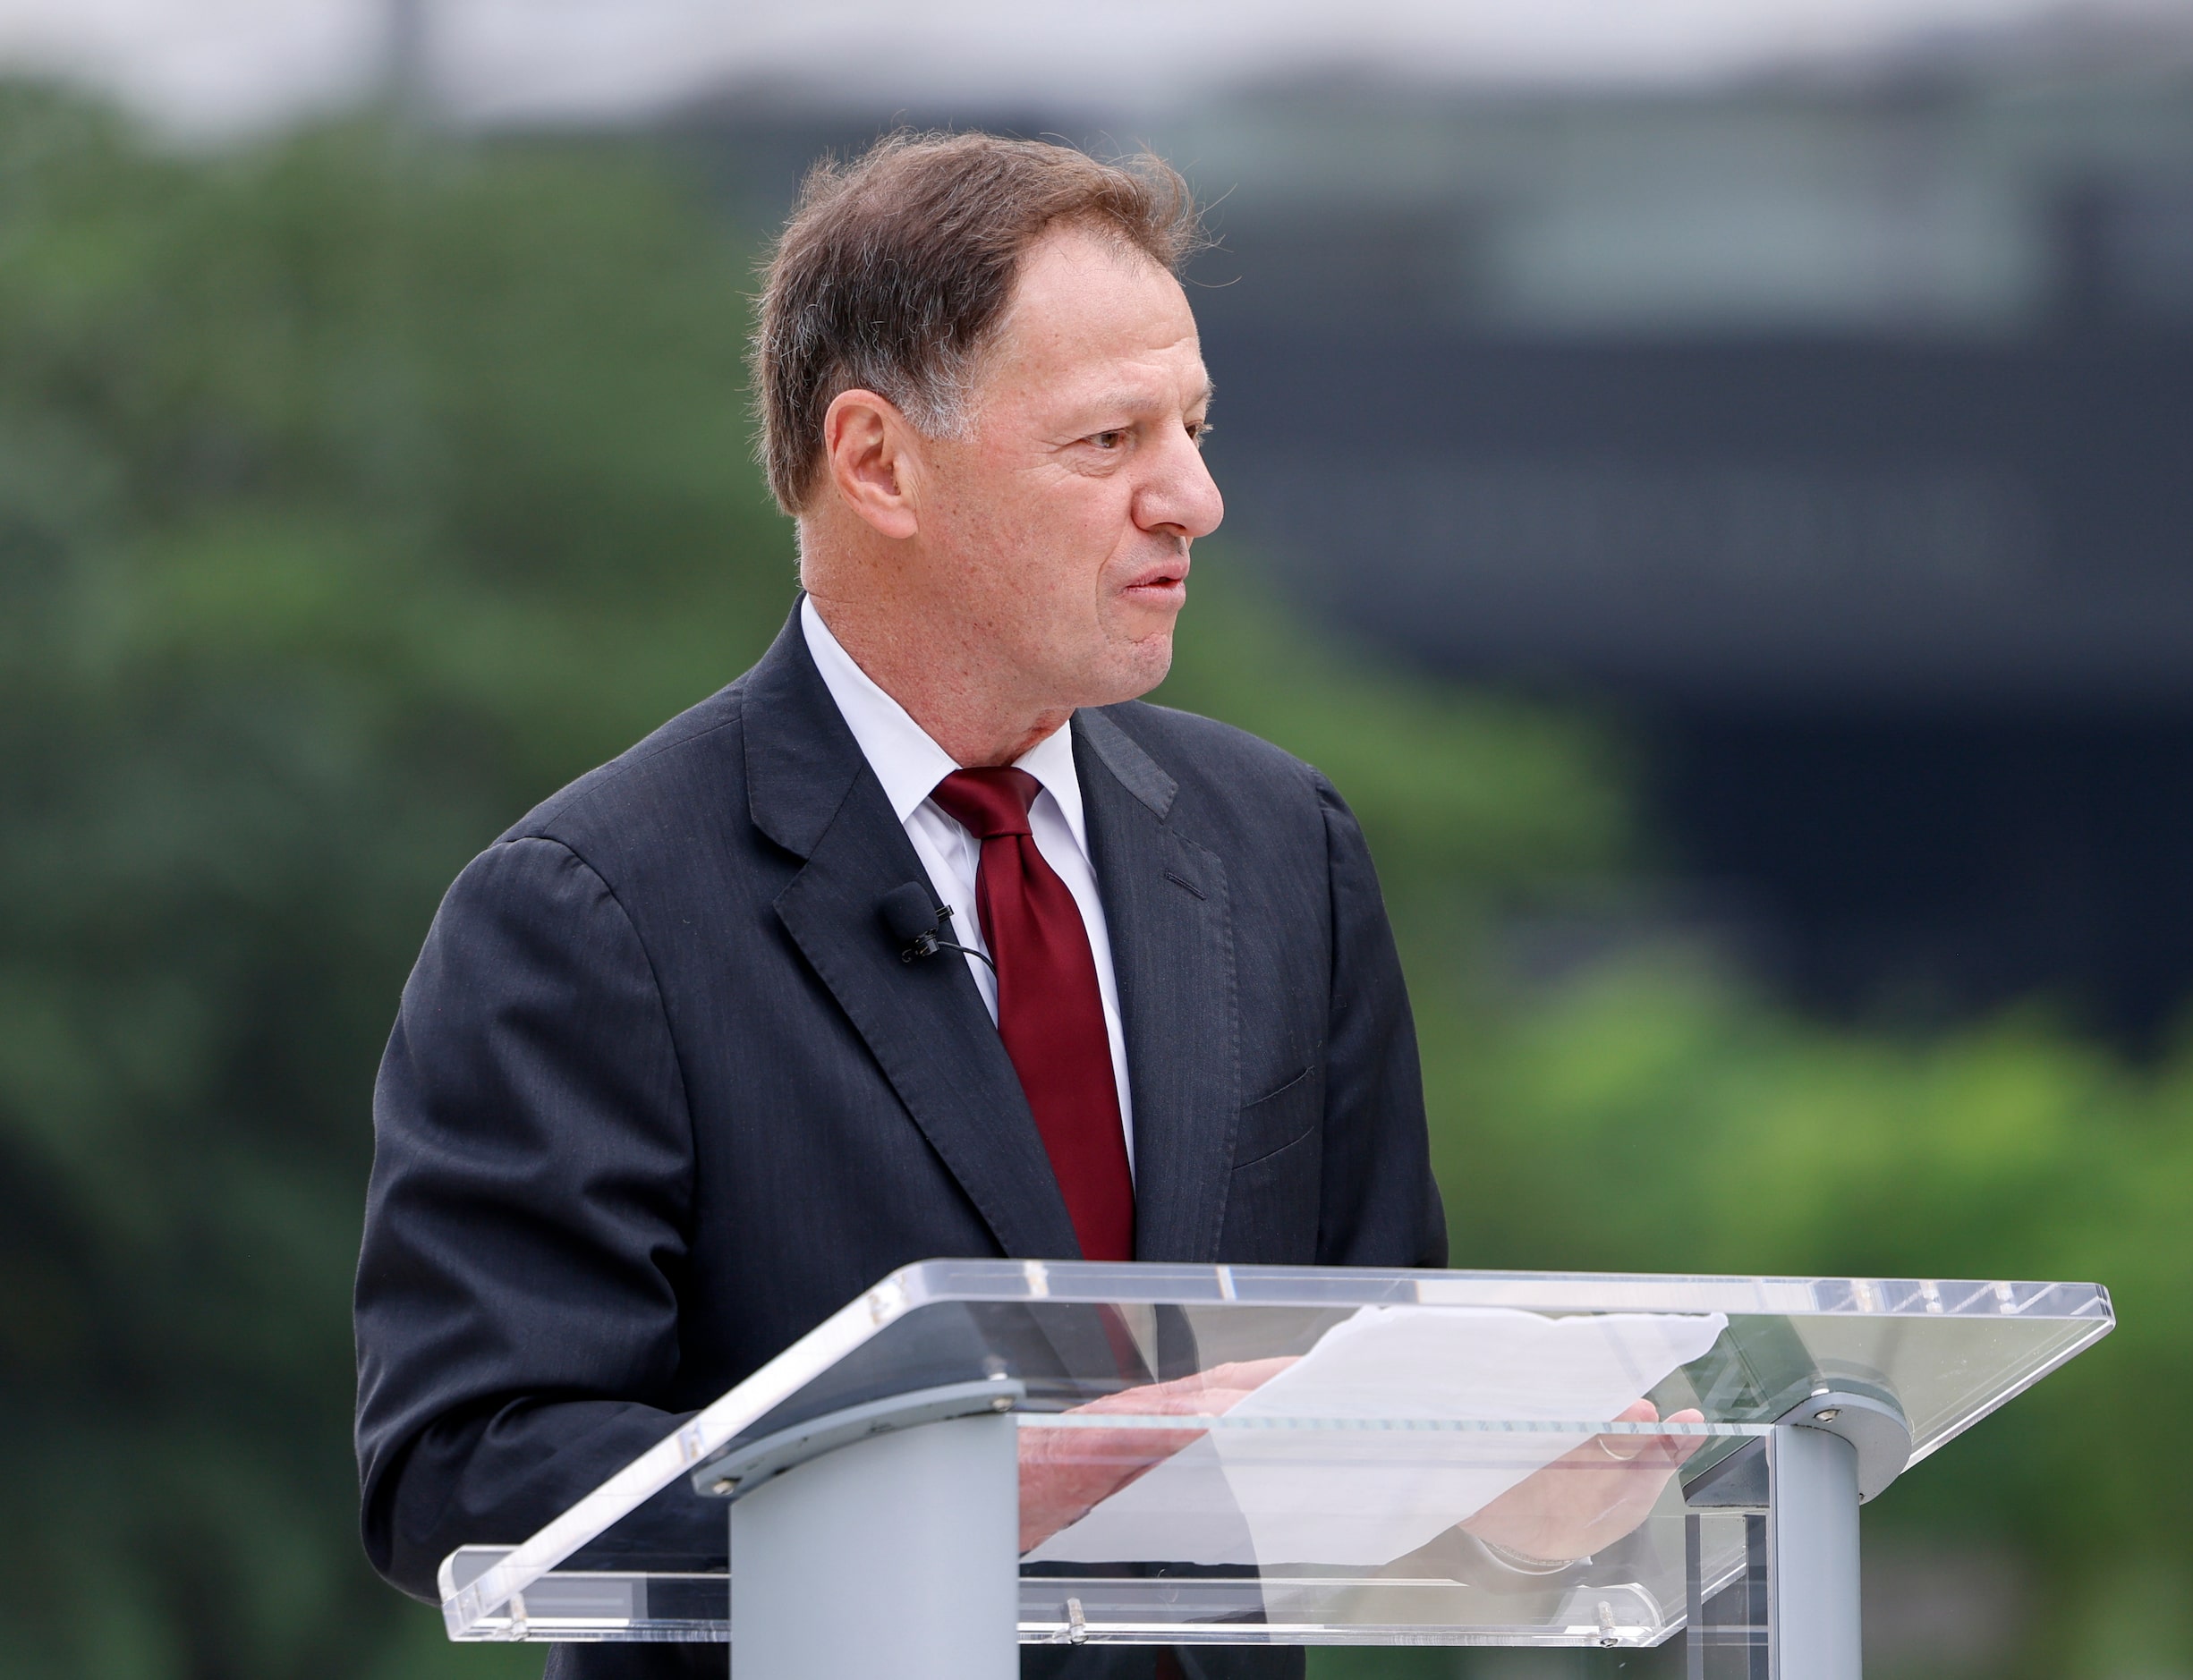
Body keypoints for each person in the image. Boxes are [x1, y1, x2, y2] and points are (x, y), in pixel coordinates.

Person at [353, 132, 1677, 1680]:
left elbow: (1378, 1373)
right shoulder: (586, 913)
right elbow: (465, 1468)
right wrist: (1026, 1481)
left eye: (1192, 425)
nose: (1195, 497)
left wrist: (1520, 1485)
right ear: (875, 461)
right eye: (1109, 439)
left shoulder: (1280, 847)